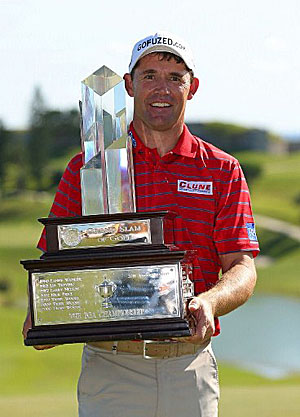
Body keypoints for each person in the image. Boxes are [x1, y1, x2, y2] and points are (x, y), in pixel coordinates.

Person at [23, 31, 259, 417]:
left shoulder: (221, 169)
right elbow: (54, 264)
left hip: (189, 366)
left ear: (192, 87)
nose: (161, 88)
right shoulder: (89, 167)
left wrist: (210, 302)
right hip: (112, 366)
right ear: (129, 86)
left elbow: (242, 266)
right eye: (149, 76)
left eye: (174, 77)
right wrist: (47, 311)